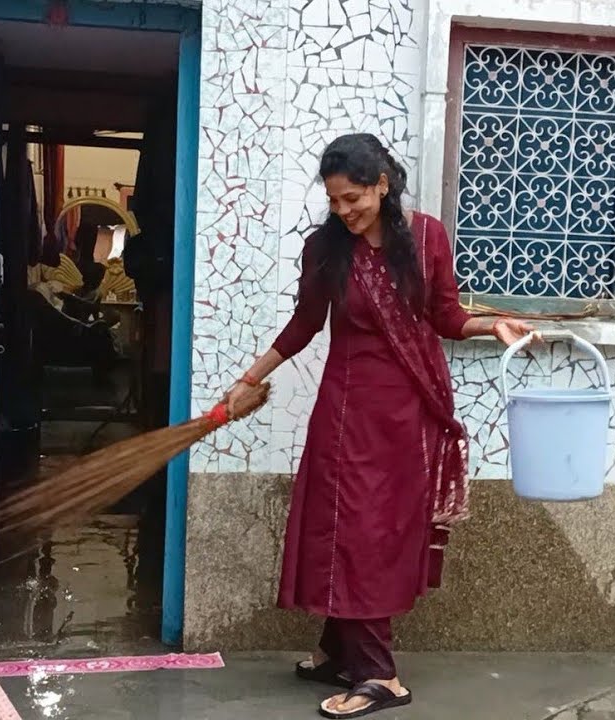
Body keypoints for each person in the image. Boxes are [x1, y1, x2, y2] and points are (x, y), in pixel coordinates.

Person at [224, 133, 533, 718]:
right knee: (341, 523)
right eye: (335, 201)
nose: (344, 211)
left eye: (354, 199)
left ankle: (380, 677)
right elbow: (304, 324)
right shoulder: (325, 248)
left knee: (371, 532)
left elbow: (445, 316)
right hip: (346, 409)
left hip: (405, 411)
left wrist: (490, 326)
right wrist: (248, 379)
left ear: (383, 184)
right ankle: (343, 652)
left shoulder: (425, 237)